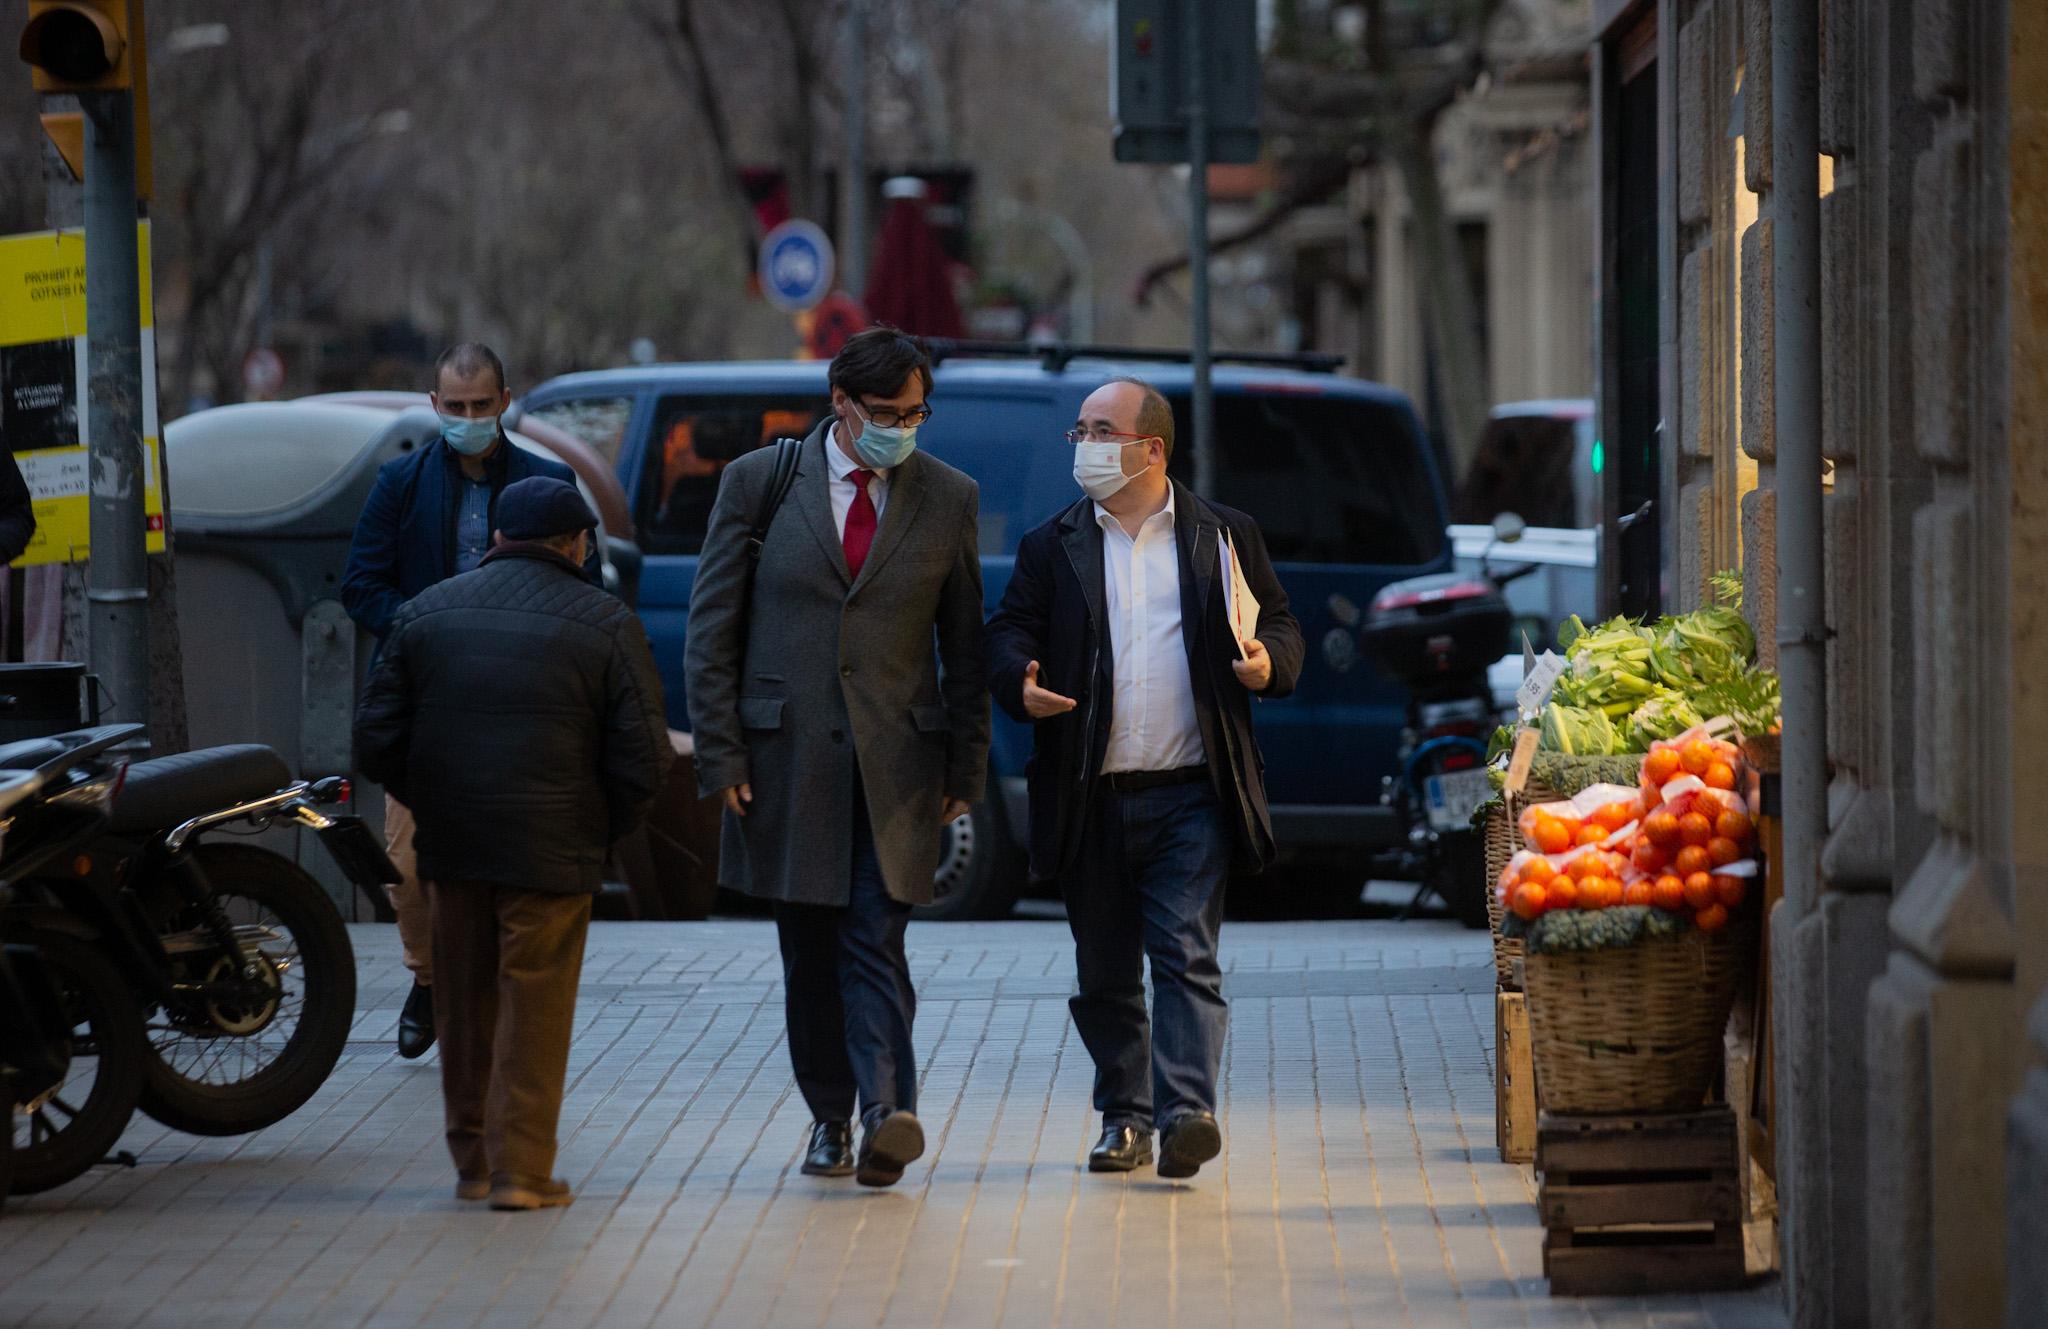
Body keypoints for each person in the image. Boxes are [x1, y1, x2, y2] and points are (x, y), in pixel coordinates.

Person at [684, 326, 989, 1188]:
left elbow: (965, 648)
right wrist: (723, 753)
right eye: (890, 413)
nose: (906, 427)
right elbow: (712, 632)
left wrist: (966, 770)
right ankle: (830, 1117)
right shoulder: (760, 482)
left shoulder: (947, 495)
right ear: (840, 404)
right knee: (809, 950)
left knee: (875, 939)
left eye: (919, 412)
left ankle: (887, 1110)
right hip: (786, 763)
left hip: (899, 769)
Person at [985, 377, 1303, 1180]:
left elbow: (1279, 622)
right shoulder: (1050, 544)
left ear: (1150, 449)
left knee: (1186, 955)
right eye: (1081, 432)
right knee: (1106, 973)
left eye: (1100, 430)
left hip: (1194, 790)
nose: (1083, 446)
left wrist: (1268, 664)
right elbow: (1008, 628)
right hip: (1090, 792)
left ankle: (1185, 1110)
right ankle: (1123, 1116)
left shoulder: (1223, 537)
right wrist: (1017, 678)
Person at [353, 477, 670, 1210]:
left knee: (461, 1003)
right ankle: (523, 1170)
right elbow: (646, 758)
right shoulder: (605, 621)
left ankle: (471, 1162)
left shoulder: (424, 613)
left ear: (497, 537)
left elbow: (375, 742)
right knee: (535, 1005)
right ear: (577, 542)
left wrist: (433, 799)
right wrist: (599, 821)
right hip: (553, 852)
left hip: (455, 846)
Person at [341, 343, 598, 1060]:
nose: (469, 418)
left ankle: (487, 995)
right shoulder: (400, 484)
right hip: (429, 700)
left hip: (522, 702)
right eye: (455, 407)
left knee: (513, 862)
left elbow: (589, 589)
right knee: (411, 862)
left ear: (506, 400)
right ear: (434, 407)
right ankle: (429, 977)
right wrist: (428, 632)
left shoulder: (550, 482)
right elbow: (361, 584)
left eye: (482, 405)